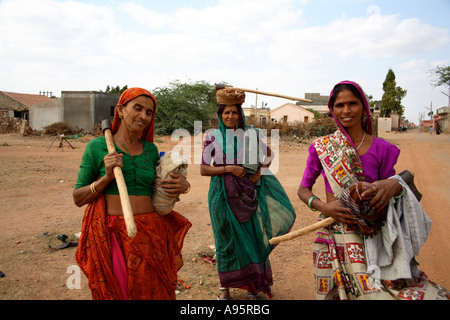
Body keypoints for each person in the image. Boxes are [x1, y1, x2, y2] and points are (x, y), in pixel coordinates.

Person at [297, 80, 449, 300]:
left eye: (353, 103)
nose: (346, 110)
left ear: (364, 107)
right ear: (333, 109)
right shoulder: (321, 148)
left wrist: (395, 183)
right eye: (340, 105)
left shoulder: (383, 148)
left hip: (375, 233)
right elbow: (303, 190)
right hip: (336, 231)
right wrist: (324, 207)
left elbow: (392, 194)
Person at [73, 87, 192, 300]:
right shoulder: (97, 147)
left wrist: (182, 186)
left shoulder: (151, 149)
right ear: (120, 110)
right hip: (114, 234)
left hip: (153, 232)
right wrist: (106, 178)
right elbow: (78, 198)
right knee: (121, 293)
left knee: (156, 292)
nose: (143, 116)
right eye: (138, 108)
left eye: (149, 112)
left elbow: (160, 188)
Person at [200, 88, 296, 300]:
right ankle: (224, 289)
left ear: (240, 114)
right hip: (220, 195)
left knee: (250, 238)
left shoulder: (249, 135)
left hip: (246, 193)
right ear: (220, 114)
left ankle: (253, 287)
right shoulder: (212, 137)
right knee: (224, 239)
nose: (230, 117)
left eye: (234, 112)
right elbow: (204, 169)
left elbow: (269, 154)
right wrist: (229, 169)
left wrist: (259, 172)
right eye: (226, 113)